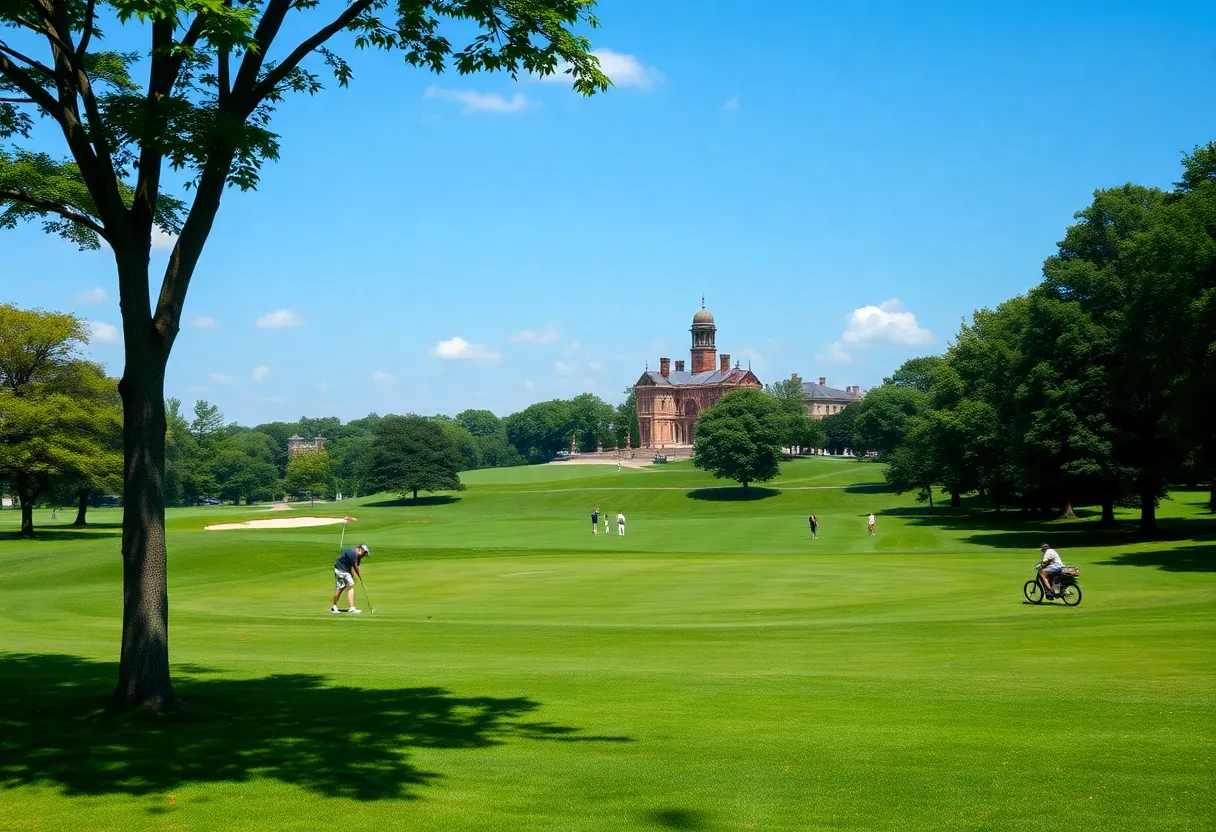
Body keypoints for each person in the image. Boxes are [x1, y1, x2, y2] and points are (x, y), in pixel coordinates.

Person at [331, 543, 370, 614]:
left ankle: (334, 606)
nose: (364, 555)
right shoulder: (353, 553)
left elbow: (353, 566)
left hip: (343, 570)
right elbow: (355, 567)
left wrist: (352, 575)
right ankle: (351, 608)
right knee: (350, 586)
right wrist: (359, 577)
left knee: (341, 588)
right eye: (364, 553)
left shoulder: (359, 556)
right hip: (340, 570)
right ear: (361, 549)